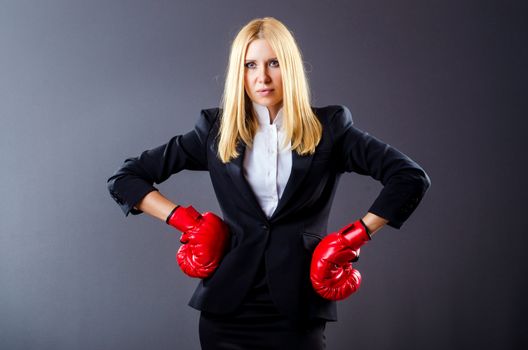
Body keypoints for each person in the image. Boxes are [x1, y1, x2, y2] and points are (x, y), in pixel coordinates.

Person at [107, 17, 430, 350]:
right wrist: (186, 221)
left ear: (289, 67)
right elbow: (126, 179)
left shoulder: (330, 129)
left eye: (273, 63)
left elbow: (409, 177)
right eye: (251, 65)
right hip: (227, 309)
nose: (262, 77)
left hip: (297, 309)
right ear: (240, 73)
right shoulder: (215, 131)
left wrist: (354, 237)